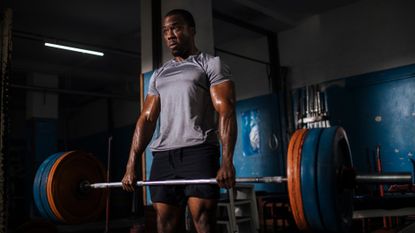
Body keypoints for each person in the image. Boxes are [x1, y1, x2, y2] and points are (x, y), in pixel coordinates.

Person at [121, 9, 237, 233]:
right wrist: (130, 164)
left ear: (191, 31)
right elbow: (146, 119)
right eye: (165, 31)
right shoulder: (158, 74)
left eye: (176, 27)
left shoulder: (210, 64)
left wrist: (227, 161)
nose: (170, 35)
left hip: (199, 152)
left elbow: (226, 111)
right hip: (164, 157)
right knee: (165, 226)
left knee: (203, 223)